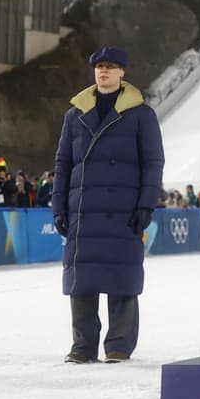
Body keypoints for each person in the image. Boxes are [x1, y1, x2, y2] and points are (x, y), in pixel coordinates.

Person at [52, 46, 164, 364]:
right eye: (100, 66)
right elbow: (63, 164)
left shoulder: (142, 114)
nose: (104, 72)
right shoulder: (74, 115)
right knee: (81, 283)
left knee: (122, 280)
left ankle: (119, 345)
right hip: (83, 211)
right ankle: (82, 346)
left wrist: (146, 205)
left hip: (124, 210)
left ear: (122, 72)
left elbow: (153, 163)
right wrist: (59, 207)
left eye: (111, 67)